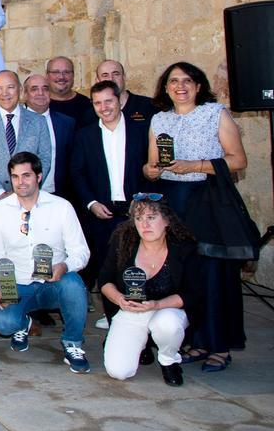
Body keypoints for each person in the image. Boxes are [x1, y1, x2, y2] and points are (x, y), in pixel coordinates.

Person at [144, 61, 248, 373]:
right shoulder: (159, 119)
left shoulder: (215, 113)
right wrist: (150, 170)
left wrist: (194, 165)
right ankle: (195, 341)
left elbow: (238, 160)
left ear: (198, 86)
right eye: (173, 81)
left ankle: (219, 346)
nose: (181, 86)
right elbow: (150, 166)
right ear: (165, 88)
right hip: (174, 203)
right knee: (185, 274)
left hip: (208, 199)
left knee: (214, 274)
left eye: (187, 80)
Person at [0, 152, 91, 373]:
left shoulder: (61, 207)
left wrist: (64, 267)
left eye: (26, 176)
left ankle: (73, 343)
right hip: (17, 284)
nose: (20, 182)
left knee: (74, 284)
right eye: (15, 177)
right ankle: (23, 323)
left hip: (54, 282)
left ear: (39, 176)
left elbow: (81, 251)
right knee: (3, 324)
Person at [100, 196, 199, 386]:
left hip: (167, 309)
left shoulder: (183, 248)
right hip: (131, 310)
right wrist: (119, 299)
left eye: (151, 217)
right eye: (138, 218)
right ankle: (141, 344)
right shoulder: (124, 244)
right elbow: (105, 280)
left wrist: (157, 304)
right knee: (118, 371)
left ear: (167, 220)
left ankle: (168, 360)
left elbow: (192, 293)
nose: (144, 224)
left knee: (167, 324)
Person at [70, 80, 148, 298]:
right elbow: (77, 172)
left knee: (136, 262)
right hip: (101, 211)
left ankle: (137, 307)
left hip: (135, 210)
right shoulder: (85, 136)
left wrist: (141, 200)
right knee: (107, 263)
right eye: (97, 103)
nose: (104, 107)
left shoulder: (141, 131)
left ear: (119, 100)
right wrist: (91, 203)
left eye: (108, 101)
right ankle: (110, 311)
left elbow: (150, 170)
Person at [0, 71, 52, 214]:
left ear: (20, 89)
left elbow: (45, 158)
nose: (4, 93)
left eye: (10, 87)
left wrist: (25, 189)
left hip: (29, 201)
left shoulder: (38, 122)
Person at [22, 73, 75, 197]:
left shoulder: (66, 123)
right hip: (22, 195)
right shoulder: (14, 121)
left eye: (45, 89)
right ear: (25, 94)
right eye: (34, 89)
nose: (40, 93)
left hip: (58, 195)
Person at [95, 59, 156, 127]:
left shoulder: (149, 106)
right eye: (105, 75)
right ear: (97, 80)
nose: (111, 79)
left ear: (124, 77)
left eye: (116, 74)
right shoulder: (92, 114)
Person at [45, 56, 95, 128]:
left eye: (66, 72)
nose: (61, 77)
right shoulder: (40, 105)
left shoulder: (86, 105)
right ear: (47, 76)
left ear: (73, 75)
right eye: (56, 72)